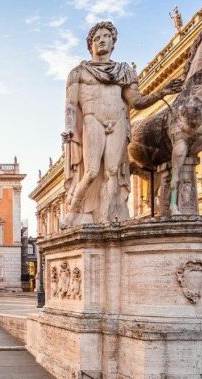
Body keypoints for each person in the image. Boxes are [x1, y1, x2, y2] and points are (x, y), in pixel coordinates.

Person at [62, 21, 181, 228]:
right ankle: (73, 213)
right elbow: (71, 106)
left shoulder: (123, 71)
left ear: (113, 42)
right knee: (91, 171)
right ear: (90, 44)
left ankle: (105, 217)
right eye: (97, 38)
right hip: (92, 120)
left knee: (112, 172)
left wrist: (162, 91)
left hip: (116, 121)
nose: (101, 40)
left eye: (106, 36)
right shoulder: (78, 73)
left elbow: (137, 102)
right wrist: (70, 128)